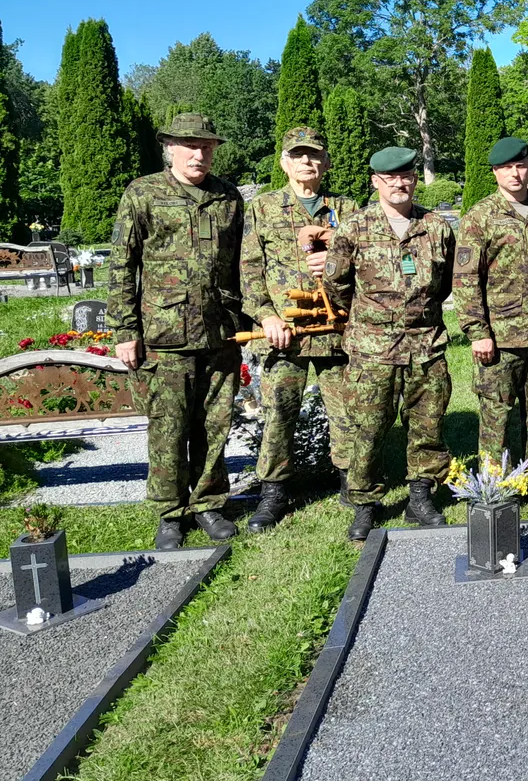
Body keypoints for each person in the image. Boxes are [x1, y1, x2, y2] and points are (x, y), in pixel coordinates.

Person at [108, 113, 244, 550]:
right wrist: (125, 328)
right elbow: (121, 264)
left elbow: (244, 263)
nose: (198, 154)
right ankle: (169, 511)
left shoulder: (228, 196)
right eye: (189, 145)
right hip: (163, 334)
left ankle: (208, 503)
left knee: (215, 423)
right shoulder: (144, 192)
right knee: (168, 426)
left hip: (220, 332)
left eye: (206, 146)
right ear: (170, 148)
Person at [323, 147, 455, 540]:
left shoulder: (437, 227)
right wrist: (371, 322)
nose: (400, 184)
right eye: (390, 178)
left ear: (414, 179)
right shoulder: (354, 228)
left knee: (427, 425)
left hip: (425, 345)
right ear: (375, 182)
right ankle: (364, 503)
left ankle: (420, 496)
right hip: (372, 349)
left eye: (407, 176)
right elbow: (336, 285)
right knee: (368, 427)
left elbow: (444, 283)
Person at [239, 127, 358, 533]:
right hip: (282, 333)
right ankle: (274, 492)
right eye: (298, 156)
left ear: (325, 163)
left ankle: (351, 485)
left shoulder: (346, 207)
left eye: (314, 156)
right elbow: (249, 270)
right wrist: (265, 315)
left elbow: (366, 264)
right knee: (278, 415)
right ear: (284, 162)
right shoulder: (265, 207)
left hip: (335, 330)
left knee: (346, 413)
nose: (307, 162)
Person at [454, 137, 528, 509]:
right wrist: (477, 332)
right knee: (496, 416)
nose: (515, 174)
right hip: (499, 339)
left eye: (520, 166)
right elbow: (466, 279)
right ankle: (493, 486)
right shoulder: (480, 216)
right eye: (506, 168)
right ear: (495, 173)